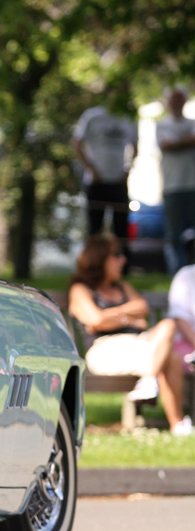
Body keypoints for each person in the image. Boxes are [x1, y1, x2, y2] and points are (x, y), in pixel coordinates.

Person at [69, 234, 192, 436]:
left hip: (140, 345)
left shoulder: (123, 287)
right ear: (99, 258)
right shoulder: (81, 289)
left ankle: (149, 381)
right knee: (170, 356)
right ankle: (177, 423)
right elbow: (96, 320)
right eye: (117, 255)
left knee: (168, 325)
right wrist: (128, 318)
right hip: (105, 350)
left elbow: (142, 308)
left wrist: (108, 317)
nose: (123, 260)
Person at [72, 99, 138, 251]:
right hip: (96, 182)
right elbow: (76, 143)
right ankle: (93, 266)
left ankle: (123, 266)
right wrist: (91, 170)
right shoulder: (92, 116)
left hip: (119, 182)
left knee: (121, 228)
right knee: (95, 229)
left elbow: (135, 146)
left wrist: (126, 171)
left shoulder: (128, 117)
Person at [156, 85, 195, 274]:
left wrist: (176, 141)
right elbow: (166, 145)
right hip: (172, 186)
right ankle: (177, 273)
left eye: (180, 98)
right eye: (173, 98)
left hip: (192, 184)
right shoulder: (161, 124)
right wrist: (185, 140)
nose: (176, 102)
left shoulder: (192, 122)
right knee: (173, 236)